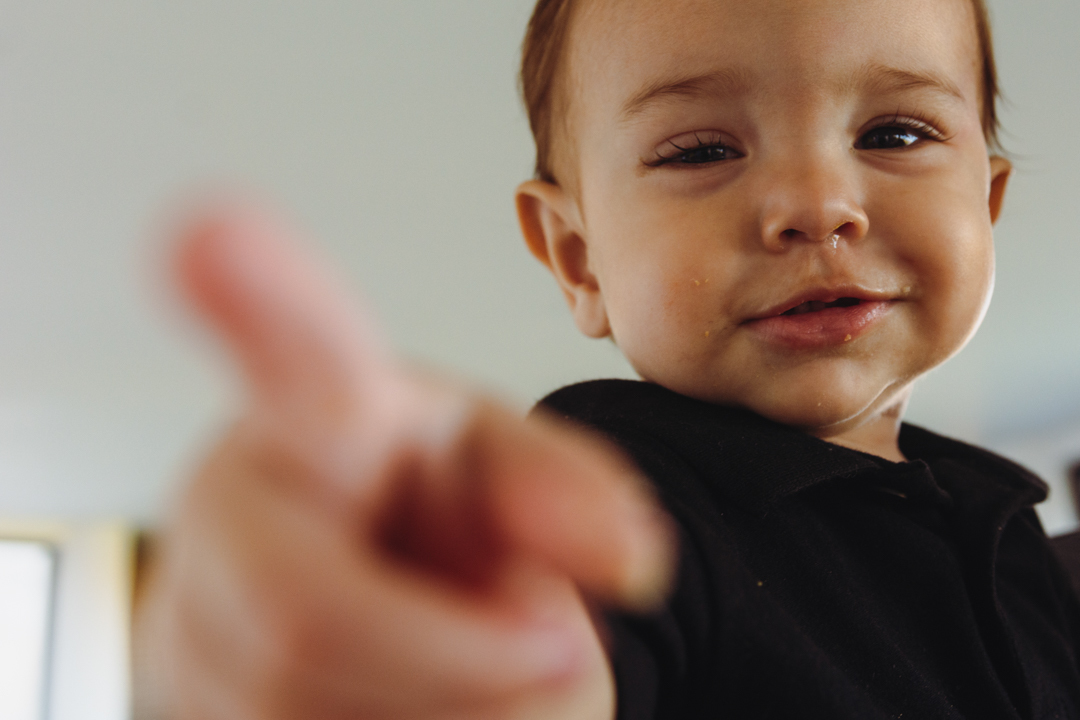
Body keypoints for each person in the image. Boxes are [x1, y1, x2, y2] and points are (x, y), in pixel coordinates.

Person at [135, 0, 1080, 717]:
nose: (818, 202)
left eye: (895, 133)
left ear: (986, 204)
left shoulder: (1012, 533)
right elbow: (564, 645)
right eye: (704, 148)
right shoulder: (622, 492)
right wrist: (471, 637)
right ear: (577, 258)